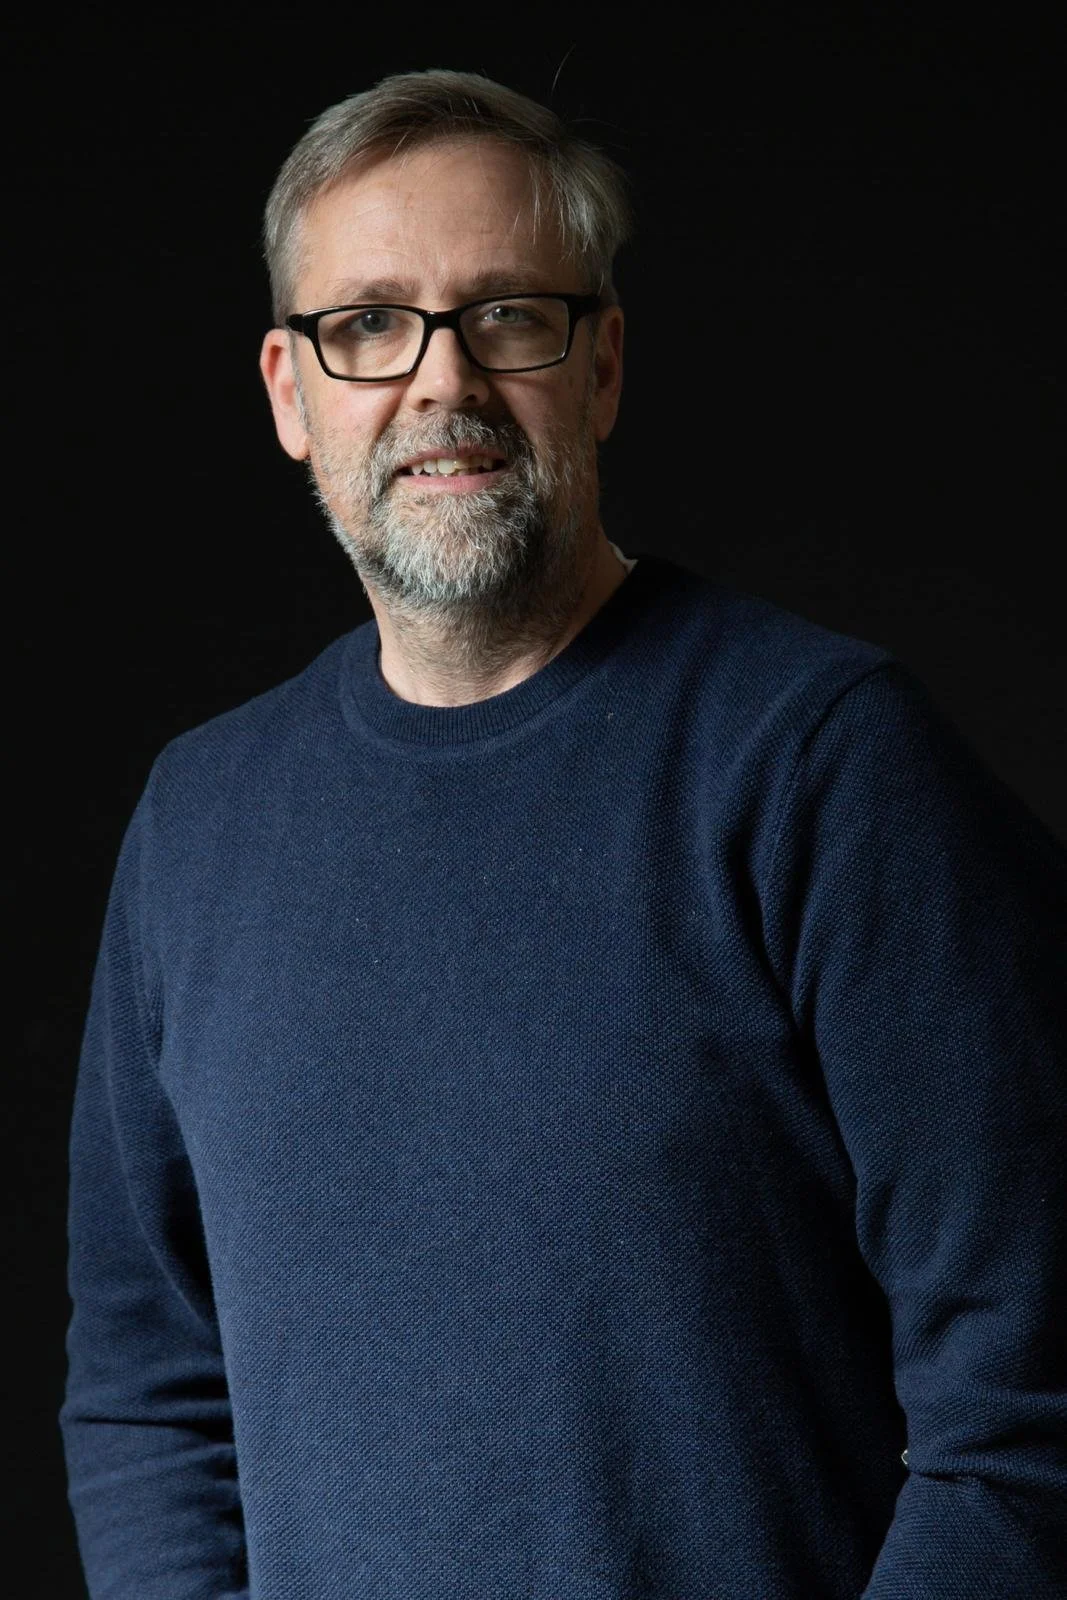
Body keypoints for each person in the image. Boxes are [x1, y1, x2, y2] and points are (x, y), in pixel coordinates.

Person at [60, 68, 1067, 1600]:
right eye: (369, 325)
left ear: (599, 366)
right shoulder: (196, 824)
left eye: (506, 318)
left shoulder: (822, 765)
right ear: (289, 390)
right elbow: (145, 1382)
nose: (440, 384)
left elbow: (1030, 1407)